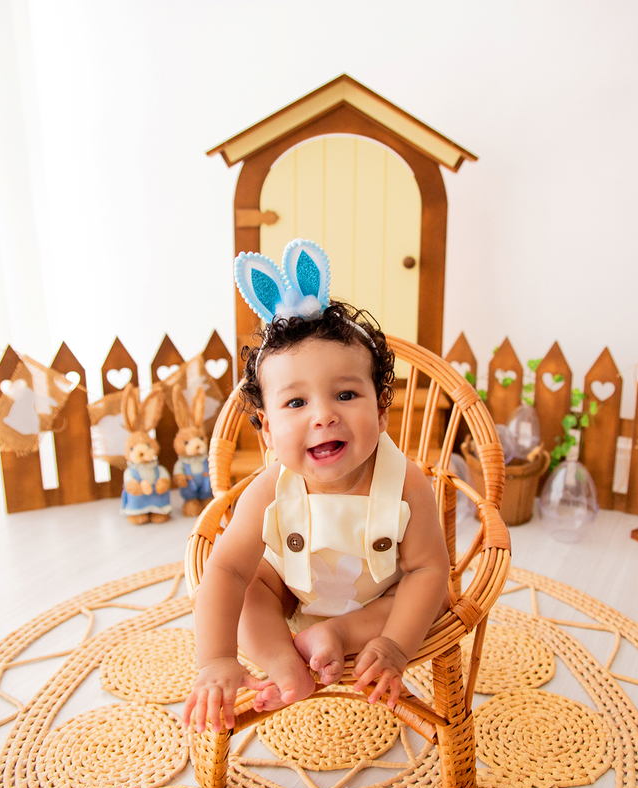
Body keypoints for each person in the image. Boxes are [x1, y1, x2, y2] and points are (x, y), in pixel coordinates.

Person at [181, 240, 450, 735]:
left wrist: (395, 647)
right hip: (291, 588)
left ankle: (337, 633)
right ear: (265, 426)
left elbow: (430, 569)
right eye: (296, 403)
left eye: (346, 394)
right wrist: (214, 658)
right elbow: (223, 570)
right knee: (253, 589)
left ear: (381, 408)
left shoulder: (405, 481)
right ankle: (285, 667)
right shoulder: (269, 487)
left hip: (377, 599)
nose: (324, 415)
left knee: (417, 598)